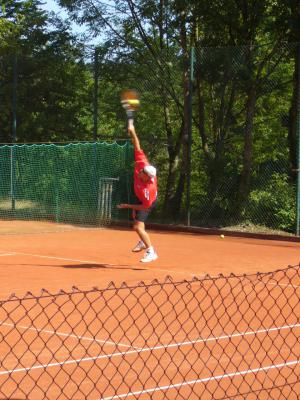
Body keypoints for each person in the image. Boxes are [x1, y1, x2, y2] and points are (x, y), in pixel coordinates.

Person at [117, 124, 158, 263]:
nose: (141, 172)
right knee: (137, 223)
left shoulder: (149, 190)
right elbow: (137, 145)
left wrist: (129, 206)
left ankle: (151, 251)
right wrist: (133, 131)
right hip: (140, 197)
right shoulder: (142, 163)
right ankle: (142, 240)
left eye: (144, 173)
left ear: (148, 178)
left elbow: (145, 206)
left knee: (137, 226)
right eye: (143, 170)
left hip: (147, 202)